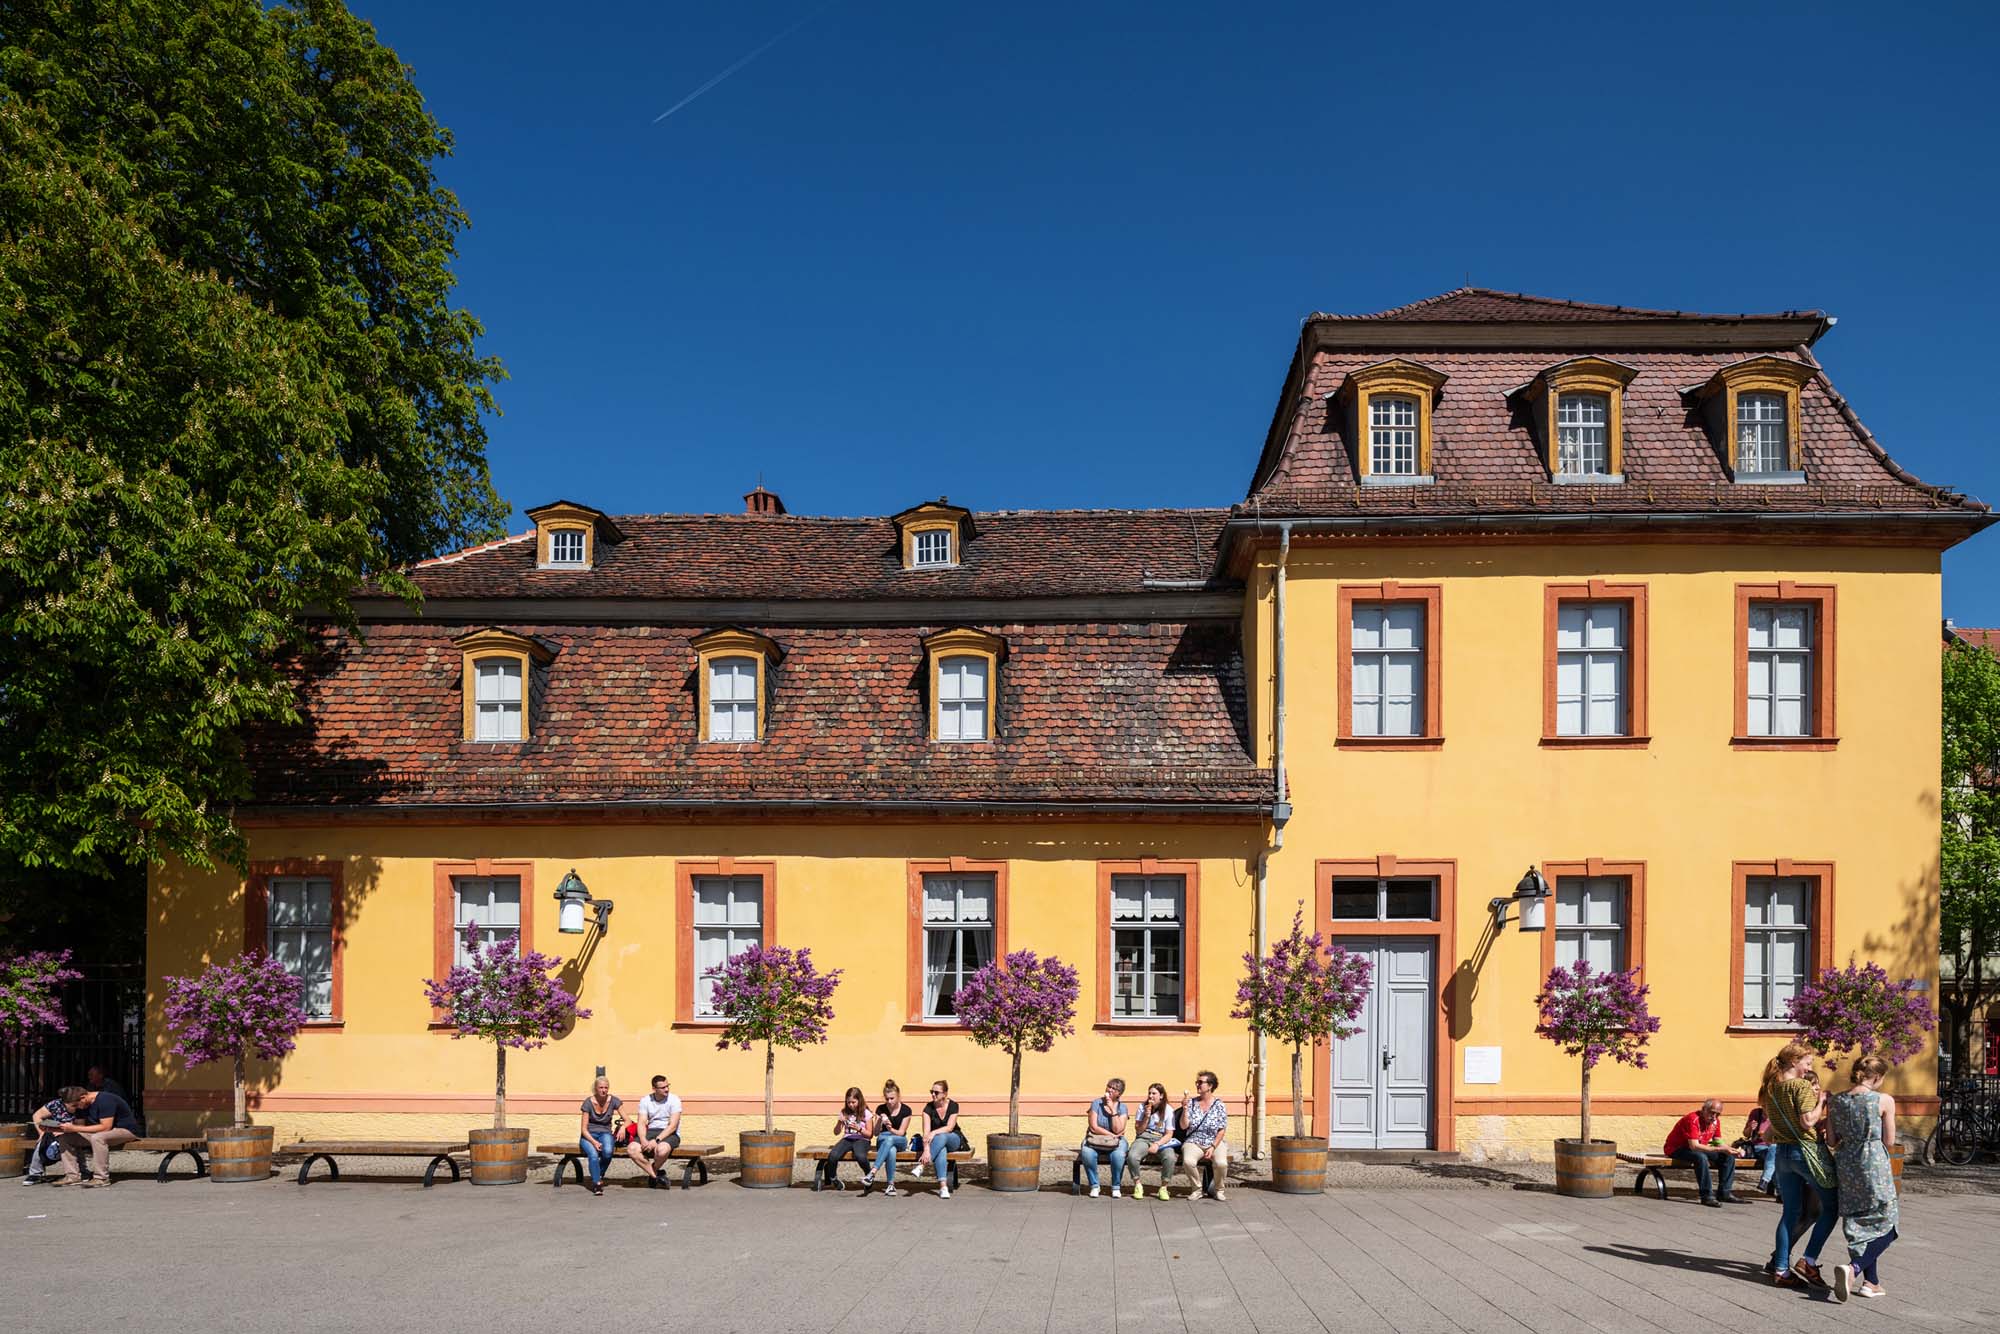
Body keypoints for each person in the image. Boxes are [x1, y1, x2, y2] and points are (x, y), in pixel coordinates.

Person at [1761, 1042, 1839, 1287]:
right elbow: (1808, 1122)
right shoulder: (1801, 1086)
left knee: (1790, 1213)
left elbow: (1768, 1133)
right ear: (1794, 1061)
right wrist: (1822, 1101)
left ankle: (1781, 1270)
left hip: (1782, 1154)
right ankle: (1809, 1259)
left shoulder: (1771, 1089)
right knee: (1831, 1207)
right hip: (1806, 1153)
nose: (1808, 1068)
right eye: (1807, 1063)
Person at [1828, 1056, 1900, 1302]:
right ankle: (1855, 1269)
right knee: (1888, 1224)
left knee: (1858, 1223)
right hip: (1873, 1163)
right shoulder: (1884, 1100)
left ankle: (1872, 1283)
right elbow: (1889, 1141)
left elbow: (1831, 1141)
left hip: (1846, 1164)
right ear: (1878, 1077)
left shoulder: (1836, 1101)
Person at [53, 1083, 140, 1187]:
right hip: (99, 1133)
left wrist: (74, 1128)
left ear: (83, 1097)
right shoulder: (82, 1105)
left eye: (76, 1105)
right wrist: (57, 1129)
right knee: (65, 1137)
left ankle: (101, 1178)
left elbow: (106, 1127)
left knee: (98, 1137)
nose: (76, 1108)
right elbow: (80, 1127)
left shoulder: (105, 1100)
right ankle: (72, 1176)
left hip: (125, 1131)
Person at [1663, 1098, 1741, 1206]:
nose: (1714, 1117)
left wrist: (1731, 1150)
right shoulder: (1693, 1119)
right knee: (1700, 1157)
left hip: (1697, 1148)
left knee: (1728, 1157)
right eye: (1712, 1113)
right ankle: (1707, 1196)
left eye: (1717, 1114)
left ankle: (1725, 1192)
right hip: (1677, 1148)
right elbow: (1694, 1146)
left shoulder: (1715, 1122)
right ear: (1704, 1109)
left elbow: (1718, 1142)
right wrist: (1721, 1149)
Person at [1179, 1070, 1229, 1201]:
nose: (1198, 1085)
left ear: (1210, 1086)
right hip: (1194, 1141)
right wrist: (1184, 1109)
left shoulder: (1219, 1105)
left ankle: (1219, 1190)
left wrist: (1213, 1146)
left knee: (1221, 1163)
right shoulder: (1191, 1103)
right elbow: (1184, 1126)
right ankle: (1196, 1189)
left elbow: (1222, 1130)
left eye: (1201, 1082)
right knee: (1188, 1161)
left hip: (1214, 1141)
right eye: (1197, 1082)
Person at [911, 1080, 965, 1198]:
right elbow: (926, 1133)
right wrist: (926, 1150)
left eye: (936, 1092)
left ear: (945, 1094)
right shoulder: (928, 1108)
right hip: (937, 1143)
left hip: (954, 1138)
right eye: (931, 1092)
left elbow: (950, 1128)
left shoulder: (953, 1105)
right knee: (941, 1150)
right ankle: (943, 1187)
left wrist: (934, 1132)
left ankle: (922, 1166)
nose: (933, 1094)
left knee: (942, 1136)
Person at [1127, 1083, 1181, 1200]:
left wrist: (1157, 1144)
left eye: (1154, 1093)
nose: (1150, 1096)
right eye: (1149, 1093)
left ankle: (1164, 1187)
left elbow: (1169, 1134)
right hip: (1144, 1137)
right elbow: (1139, 1130)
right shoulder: (1143, 1107)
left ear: (1161, 1096)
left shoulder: (1168, 1110)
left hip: (1161, 1139)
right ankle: (1138, 1185)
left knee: (1170, 1158)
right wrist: (1146, 1117)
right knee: (1132, 1156)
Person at [626, 1073, 683, 1186]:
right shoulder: (646, 1100)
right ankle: (656, 1175)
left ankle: (653, 1170)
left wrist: (656, 1140)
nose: (666, 1089)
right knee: (632, 1149)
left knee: (661, 1150)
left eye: (667, 1086)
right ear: (654, 1089)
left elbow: (672, 1126)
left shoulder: (674, 1099)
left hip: (669, 1133)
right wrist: (643, 1139)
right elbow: (641, 1122)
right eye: (663, 1087)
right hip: (651, 1131)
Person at [1078, 1077, 1130, 1198]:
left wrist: (1112, 1109)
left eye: (1114, 1089)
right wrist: (1111, 1135)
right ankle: (1094, 1186)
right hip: (1095, 1138)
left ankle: (1116, 1187)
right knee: (1087, 1152)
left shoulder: (1123, 1108)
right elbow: (1093, 1127)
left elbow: (1119, 1129)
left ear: (1119, 1093)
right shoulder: (1096, 1103)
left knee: (1118, 1155)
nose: (1110, 1090)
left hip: (1117, 1141)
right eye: (1109, 1087)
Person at [865, 1080, 916, 1196]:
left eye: (892, 1098)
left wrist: (890, 1129)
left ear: (898, 1096)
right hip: (883, 1139)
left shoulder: (906, 1110)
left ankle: (872, 1172)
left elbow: (901, 1132)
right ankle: (891, 1185)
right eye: (887, 1099)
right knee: (891, 1150)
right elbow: (876, 1133)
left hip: (899, 1139)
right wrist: (878, 1120)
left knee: (890, 1140)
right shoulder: (881, 1109)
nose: (889, 1101)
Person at [577, 1076, 623, 1196]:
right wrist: (594, 1142)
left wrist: (623, 1127)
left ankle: (598, 1174)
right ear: (595, 1089)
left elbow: (627, 1119)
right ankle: (597, 1183)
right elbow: (583, 1129)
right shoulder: (588, 1102)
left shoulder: (614, 1101)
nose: (604, 1090)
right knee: (593, 1155)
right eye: (601, 1087)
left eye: (606, 1088)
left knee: (607, 1152)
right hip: (588, 1135)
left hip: (605, 1133)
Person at [821, 1086, 872, 1190]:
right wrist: (840, 1121)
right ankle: (834, 1179)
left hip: (862, 1139)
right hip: (848, 1138)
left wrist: (859, 1129)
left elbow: (869, 1134)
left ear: (859, 1100)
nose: (851, 1105)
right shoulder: (844, 1112)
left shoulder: (866, 1113)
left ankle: (869, 1177)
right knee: (833, 1155)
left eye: (853, 1102)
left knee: (860, 1156)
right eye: (849, 1102)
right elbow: (836, 1132)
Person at [23, 1089, 77, 1185]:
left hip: (74, 1132)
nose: (75, 1107)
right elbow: (37, 1116)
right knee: (42, 1142)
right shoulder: (55, 1104)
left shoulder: (82, 1106)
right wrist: (41, 1133)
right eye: (72, 1105)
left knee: (67, 1141)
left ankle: (81, 1172)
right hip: (55, 1131)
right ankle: (35, 1174)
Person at [1733, 1107, 1777, 1196]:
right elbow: (1746, 1134)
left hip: (1774, 1147)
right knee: (1776, 1157)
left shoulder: (1779, 1113)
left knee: (1774, 1150)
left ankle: (1765, 1180)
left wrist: (1769, 1135)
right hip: (1759, 1147)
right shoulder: (1756, 1113)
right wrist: (1750, 1128)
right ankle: (1780, 1193)